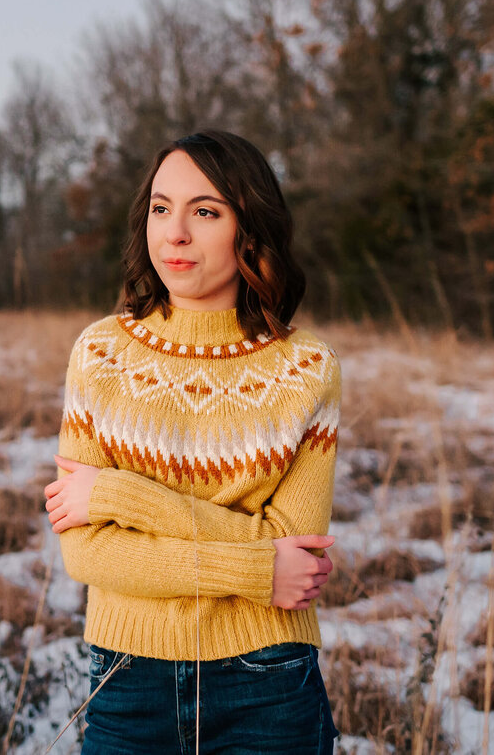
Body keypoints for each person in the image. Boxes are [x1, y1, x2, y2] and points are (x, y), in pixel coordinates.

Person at [43, 130, 341, 754]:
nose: (173, 232)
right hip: (129, 679)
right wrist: (260, 570)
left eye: (204, 211)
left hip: (268, 679)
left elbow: (300, 551)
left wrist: (118, 494)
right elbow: (87, 554)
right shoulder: (101, 355)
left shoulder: (306, 367)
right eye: (160, 207)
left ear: (250, 228)